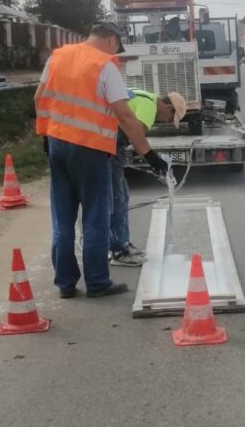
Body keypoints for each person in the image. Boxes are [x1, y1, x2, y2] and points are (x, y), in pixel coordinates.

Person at [34, 22, 167, 299]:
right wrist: (149, 155)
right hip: (90, 150)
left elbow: (39, 98)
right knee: (95, 217)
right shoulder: (105, 64)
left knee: (62, 218)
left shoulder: (58, 56)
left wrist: (45, 136)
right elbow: (125, 115)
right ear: (112, 40)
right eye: (118, 48)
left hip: (57, 145)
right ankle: (97, 282)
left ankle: (65, 284)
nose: (117, 53)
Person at [110, 89, 186, 266]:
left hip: (109, 143)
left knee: (121, 195)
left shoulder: (144, 96)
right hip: (109, 146)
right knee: (117, 198)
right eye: (169, 118)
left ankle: (122, 243)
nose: (165, 121)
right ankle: (119, 251)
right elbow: (135, 134)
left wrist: (153, 163)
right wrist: (152, 159)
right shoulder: (149, 107)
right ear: (168, 107)